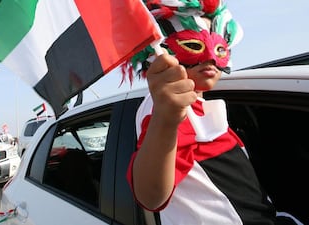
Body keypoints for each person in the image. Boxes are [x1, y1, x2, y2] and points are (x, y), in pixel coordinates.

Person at [125, 1, 302, 224]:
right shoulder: (167, 106)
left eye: (219, 48)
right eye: (193, 45)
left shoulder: (200, 106)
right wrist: (165, 118)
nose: (209, 57)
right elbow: (150, 197)